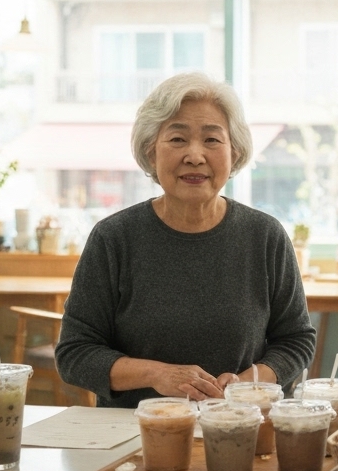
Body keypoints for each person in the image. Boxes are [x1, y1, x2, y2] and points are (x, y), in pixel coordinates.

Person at [56, 72, 315, 407]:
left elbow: (296, 340)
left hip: (240, 424)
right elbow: (75, 354)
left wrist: (247, 382)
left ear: (234, 153)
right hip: (135, 433)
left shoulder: (265, 236)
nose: (195, 155)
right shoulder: (113, 238)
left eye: (212, 140)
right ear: (151, 153)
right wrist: (157, 375)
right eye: (177, 139)